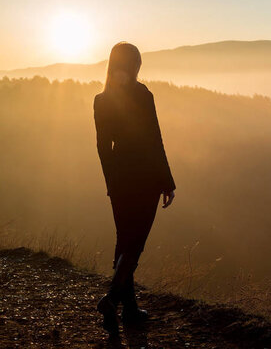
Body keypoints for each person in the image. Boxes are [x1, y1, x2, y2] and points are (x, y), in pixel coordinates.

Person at [93, 42, 176, 335]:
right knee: (135, 244)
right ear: (134, 65)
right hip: (147, 178)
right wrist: (167, 182)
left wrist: (111, 183)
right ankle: (113, 299)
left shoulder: (101, 100)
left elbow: (103, 148)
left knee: (123, 241)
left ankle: (128, 309)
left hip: (120, 180)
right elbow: (155, 139)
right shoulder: (143, 95)